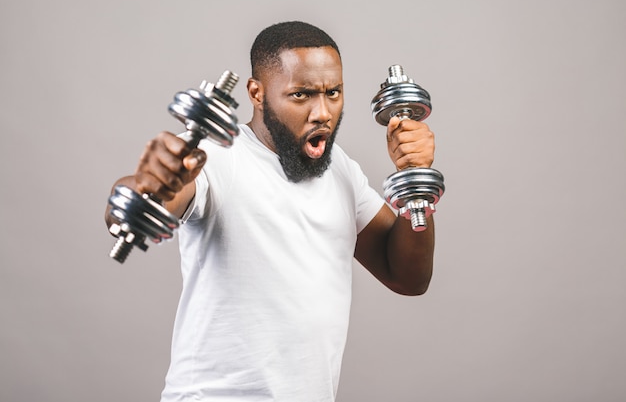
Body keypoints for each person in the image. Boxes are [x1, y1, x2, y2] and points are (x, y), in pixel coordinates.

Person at [105, 20, 437, 402]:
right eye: (302, 95)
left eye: (334, 92)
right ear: (256, 93)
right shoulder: (212, 156)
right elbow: (141, 206)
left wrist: (416, 179)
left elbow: (408, 277)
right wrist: (144, 187)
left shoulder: (342, 169)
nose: (323, 112)